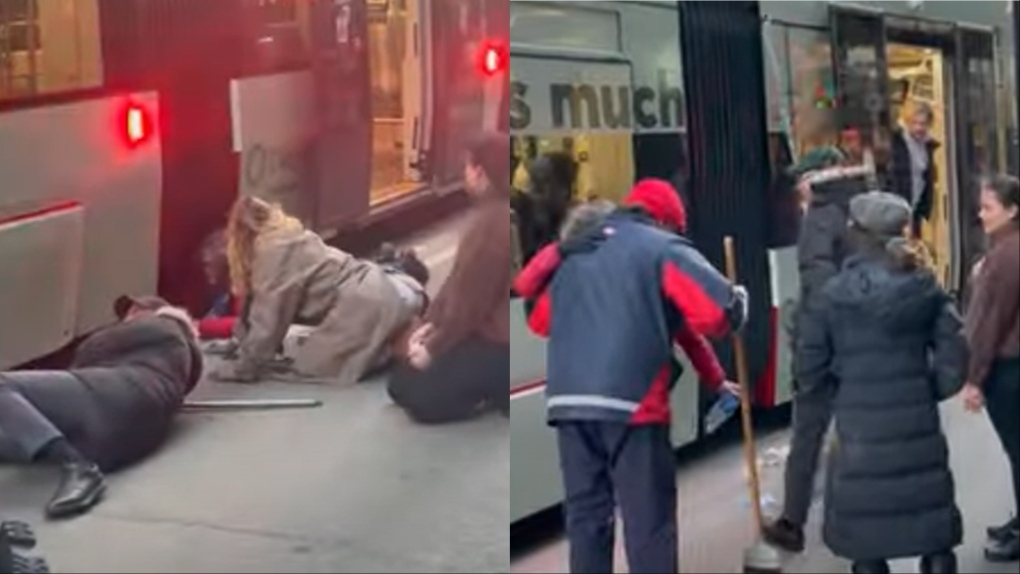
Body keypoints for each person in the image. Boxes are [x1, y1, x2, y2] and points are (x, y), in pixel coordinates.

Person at [517, 178, 748, 574]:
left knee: (587, 517)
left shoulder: (580, 251)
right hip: (632, 404)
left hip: (569, 404)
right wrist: (739, 299)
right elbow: (718, 314)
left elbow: (541, 321)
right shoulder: (662, 249)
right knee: (648, 520)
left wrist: (714, 379)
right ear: (667, 221)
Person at [798, 192, 968, 574]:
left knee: (868, 543)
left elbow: (809, 370)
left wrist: (842, 398)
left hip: (859, 437)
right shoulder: (926, 288)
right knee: (931, 530)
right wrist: (925, 391)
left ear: (857, 234)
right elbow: (955, 361)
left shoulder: (831, 296)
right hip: (917, 431)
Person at [0, 295, 203, 519]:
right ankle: (71, 459)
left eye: (134, 312)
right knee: (17, 427)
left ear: (153, 312)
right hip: (122, 436)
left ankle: (77, 465)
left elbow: (90, 348)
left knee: (4, 385)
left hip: (111, 395)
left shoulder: (163, 324)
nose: (126, 319)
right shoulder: (180, 359)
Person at [764, 150, 872, 552]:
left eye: (800, 184)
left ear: (813, 180)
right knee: (860, 430)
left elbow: (820, 287)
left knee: (808, 431)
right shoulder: (865, 206)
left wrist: (808, 346)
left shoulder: (820, 217)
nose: (798, 194)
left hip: (826, 347)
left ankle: (792, 521)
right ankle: (863, 513)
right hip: (866, 341)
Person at [211, 197, 428, 385]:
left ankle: (393, 342)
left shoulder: (272, 254)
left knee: (317, 365)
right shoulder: (286, 236)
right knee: (321, 354)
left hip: (366, 303)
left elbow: (268, 320)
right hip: (381, 287)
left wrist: (244, 368)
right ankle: (397, 327)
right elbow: (255, 306)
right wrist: (239, 343)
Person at [387, 133, 510, 424]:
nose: (464, 173)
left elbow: (468, 305)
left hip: (496, 345)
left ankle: (492, 391)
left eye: (467, 166)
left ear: (480, 172)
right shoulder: (497, 217)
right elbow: (457, 290)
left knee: (413, 392)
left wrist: (432, 347)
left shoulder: (491, 226)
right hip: (501, 339)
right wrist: (429, 328)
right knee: (405, 380)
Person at [961, 175, 1020, 563]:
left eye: (988, 207)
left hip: (1009, 369)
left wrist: (974, 379)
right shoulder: (1005, 251)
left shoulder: (1003, 258)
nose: (981, 215)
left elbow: (989, 323)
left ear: (1013, 210)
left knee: (1017, 451)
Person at [511, 151, 577, 264]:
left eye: (539, 185)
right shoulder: (525, 217)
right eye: (530, 182)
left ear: (564, 189)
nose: (531, 192)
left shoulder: (578, 231)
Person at [890, 102, 940, 238]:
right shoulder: (897, 143)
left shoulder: (927, 145)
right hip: (897, 206)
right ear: (907, 122)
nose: (919, 128)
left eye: (923, 124)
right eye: (914, 123)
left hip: (914, 207)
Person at [196, 229, 241, 341]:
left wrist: (196, 326)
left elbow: (243, 325)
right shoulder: (223, 296)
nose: (205, 270)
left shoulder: (242, 290)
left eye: (207, 264)